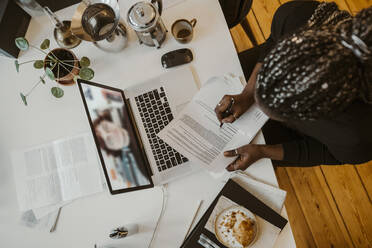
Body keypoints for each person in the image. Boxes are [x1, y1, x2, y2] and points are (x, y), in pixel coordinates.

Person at [215, 1, 372, 171]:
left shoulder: (359, 137)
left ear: (311, 115)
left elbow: (331, 153)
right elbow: (273, 42)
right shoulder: (295, 17)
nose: (258, 107)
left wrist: (264, 151)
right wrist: (248, 93)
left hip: (301, 139)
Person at [93, 111, 150, 187]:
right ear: (111, 149)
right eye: (109, 139)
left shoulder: (128, 112)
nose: (112, 133)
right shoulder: (139, 166)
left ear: (108, 121)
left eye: (106, 127)